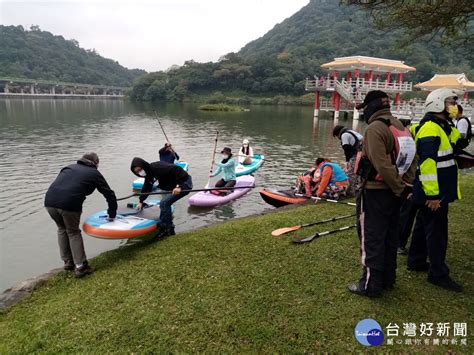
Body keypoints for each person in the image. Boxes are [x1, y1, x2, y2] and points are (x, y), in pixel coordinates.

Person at [348, 90, 417, 298]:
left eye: (365, 108)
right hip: (395, 194)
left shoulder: (374, 129)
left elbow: (382, 165)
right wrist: (406, 186)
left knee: (371, 238)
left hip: (375, 193)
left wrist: (399, 187)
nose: (364, 112)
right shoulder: (400, 126)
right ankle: (387, 279)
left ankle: (370, 285)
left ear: (373, 106)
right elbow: (413, 159)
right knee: (389, 236)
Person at [407, 88, 464, 292]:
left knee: (423, 225)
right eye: (450, 102)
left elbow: (457, 141)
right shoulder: (431, 128)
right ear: (439, 103)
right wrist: (433, 195)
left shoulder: (441, 125)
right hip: (433, 191)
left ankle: (416, 261)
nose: (454, 106)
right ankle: (437, 273)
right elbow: (427, 163)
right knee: (437, 232)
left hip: (434, 190)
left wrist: (456, 120)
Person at [44, 153, 117, 278]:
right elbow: (109, 194)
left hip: (49, 202)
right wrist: (112, 214)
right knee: (73, 232)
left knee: (62, 229)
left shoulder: (68, 167)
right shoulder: (94, 173)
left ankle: (68, 262)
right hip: (69, 204)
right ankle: (81, 266)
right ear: (95, 163)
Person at [131, 157, 193, 238]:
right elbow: (146, 187)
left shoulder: (158, 168)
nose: (140, 173)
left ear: (143, 166)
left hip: (184, 182)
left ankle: (168, 230)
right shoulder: (148, 175)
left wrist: (178, 186)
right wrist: (141, 201)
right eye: (137, 172)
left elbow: (177, 169)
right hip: (171, 186)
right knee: (162, 200)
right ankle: (165, 225)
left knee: (164, 203)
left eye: (140, 170)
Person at [332, 125, 363, 195]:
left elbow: (346, 149)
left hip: (357, 154)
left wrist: (347, 162)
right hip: (363, 153)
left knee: (350, 173)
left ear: (337, 133)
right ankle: (357, 189)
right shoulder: (351, 132)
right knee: (358, 173)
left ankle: (350, 192)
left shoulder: (344, 135)